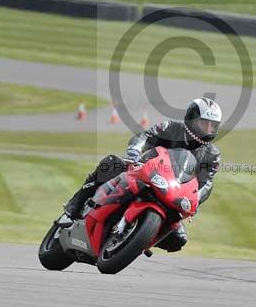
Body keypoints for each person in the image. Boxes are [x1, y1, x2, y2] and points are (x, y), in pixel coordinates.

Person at [60, 97, 222, 252]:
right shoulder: (171, 128)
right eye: (204, 124)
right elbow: (145, 136)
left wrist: (194, 202)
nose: (208, 129)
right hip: (143, 171)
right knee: (110, 163)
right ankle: (73, 207)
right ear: (191, 119)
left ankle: (138, 240)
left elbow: (206, 183)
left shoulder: (212, 155)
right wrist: (134, 153)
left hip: (172, 192)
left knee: (178, 239)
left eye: (212, 126)